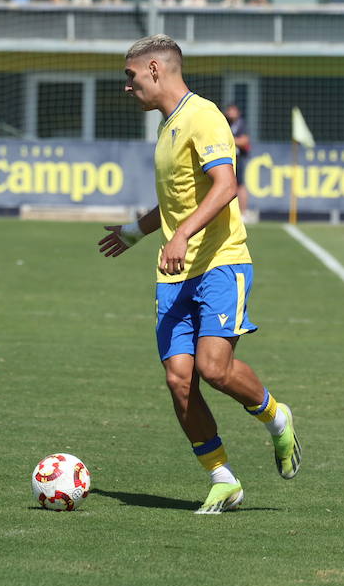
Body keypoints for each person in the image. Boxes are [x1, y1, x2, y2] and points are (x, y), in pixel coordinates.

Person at [98, 34, 300, 514]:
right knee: (179, 381)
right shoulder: (167, 126)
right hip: (174, 274)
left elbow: (226, 186)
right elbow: (175, 201)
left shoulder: (203, 115)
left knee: (213, 369)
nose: (127, 88)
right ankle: (222, 477)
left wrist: (182, 235)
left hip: (220, 263)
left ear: (153, 69)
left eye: (130, 76)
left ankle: (277, 418)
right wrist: (135, 231)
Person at [224, 102, 251, 214]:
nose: (231, 113)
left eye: (233, 110)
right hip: (225, 159)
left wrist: (230, 140)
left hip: (238, 159)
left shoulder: (241, 124)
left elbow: (245, 141)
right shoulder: (224, 123)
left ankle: (243, 212)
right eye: (229, 110)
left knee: (240, 185)